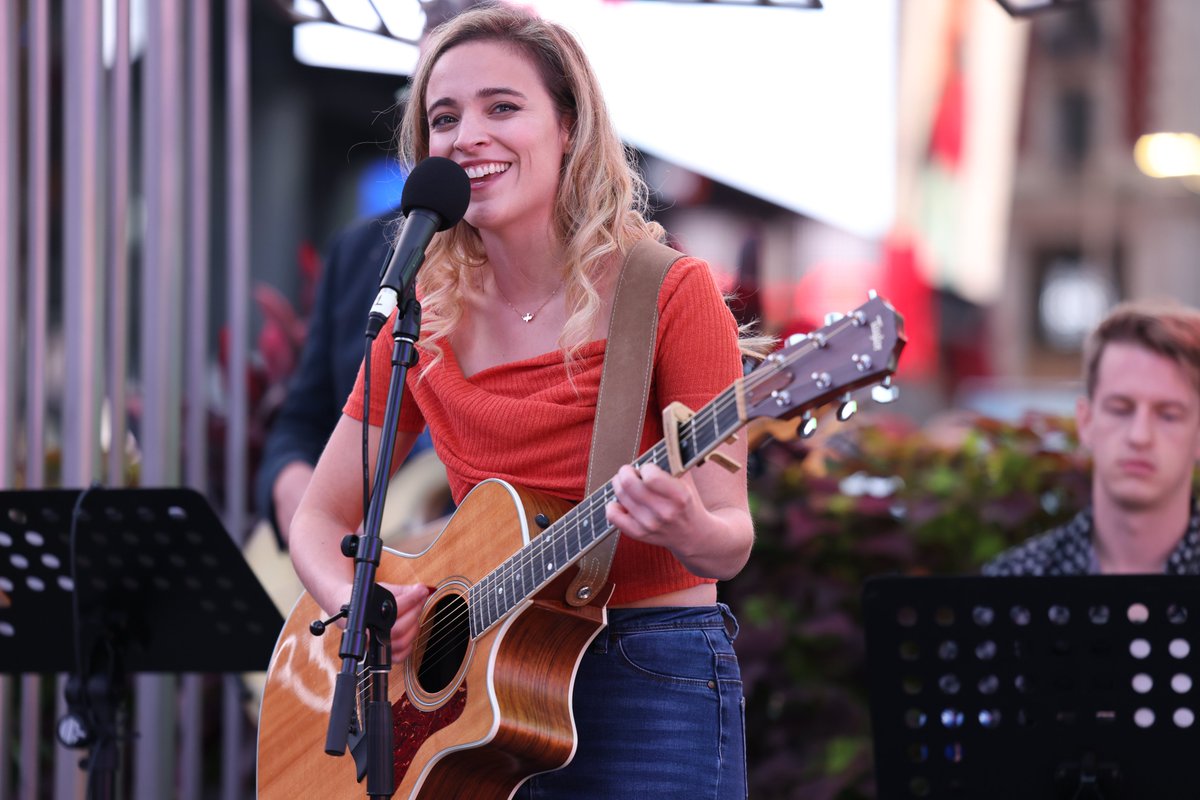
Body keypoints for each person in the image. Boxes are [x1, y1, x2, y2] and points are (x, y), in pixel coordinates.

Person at [288, 3, 758, 796]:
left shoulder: (667, 292)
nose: (468, 134)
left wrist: (687, 527)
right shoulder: (422, 320)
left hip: (647, 675)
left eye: (502, 107)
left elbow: (730, 541)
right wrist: (353, 600)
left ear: (569, 127)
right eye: (445, 118)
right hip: (476, 696)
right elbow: (319, 517)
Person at [983, 299, 1200, 576]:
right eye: (1120, 409)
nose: (1140, 436)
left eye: (1168, 415)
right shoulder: (1015, 582)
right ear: (1085, 421)